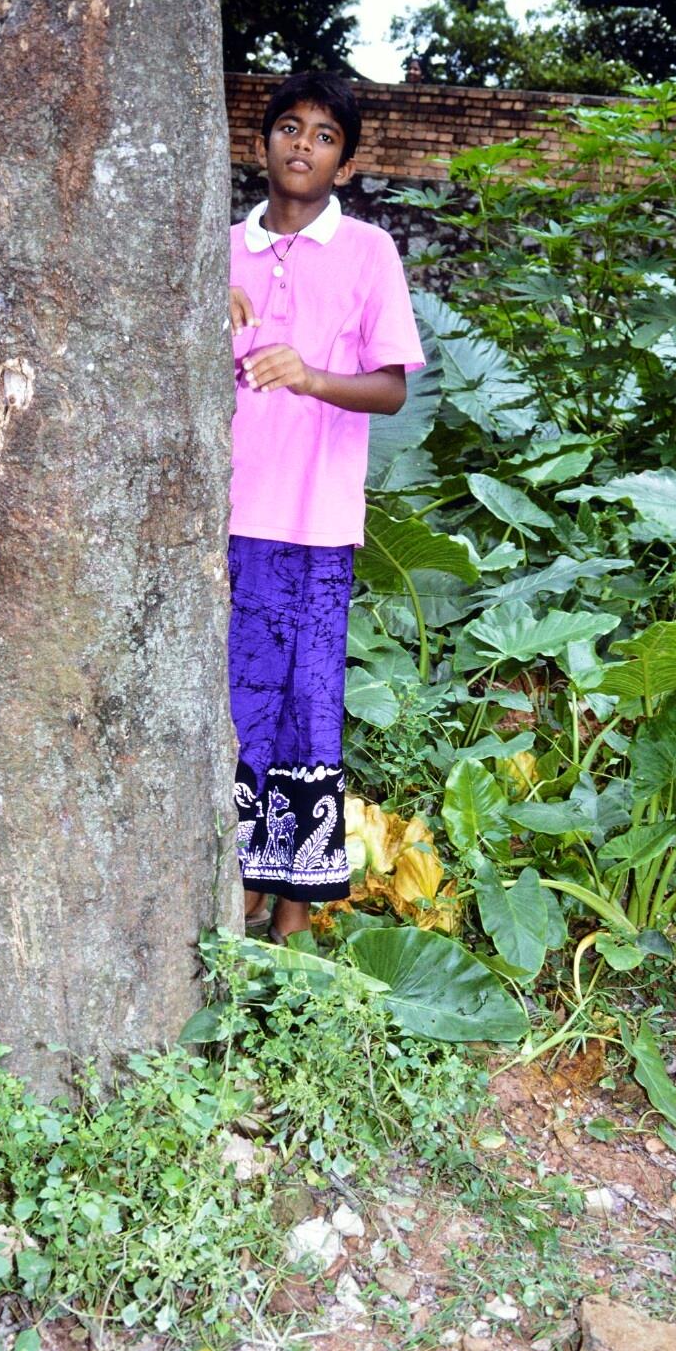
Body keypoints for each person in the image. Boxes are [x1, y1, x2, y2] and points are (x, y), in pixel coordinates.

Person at [228, 72, 425, 941]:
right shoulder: (217, 248)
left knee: (306, 708)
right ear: (261, 143)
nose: (302, 145)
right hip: (223, 521)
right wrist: (203, 312)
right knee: (234, 711)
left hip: (314, 525)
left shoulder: (368, 252)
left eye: (324, 135)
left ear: (344, 163)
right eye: (288, 127)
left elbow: (391, 389)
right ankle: (234, 890)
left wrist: (310, 375)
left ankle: (295, 912)